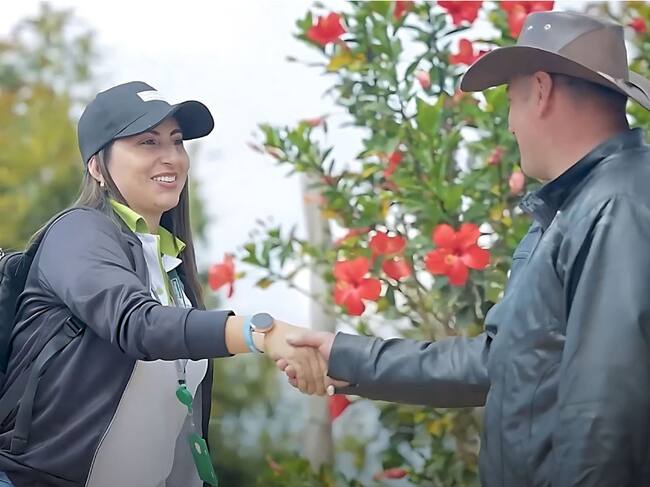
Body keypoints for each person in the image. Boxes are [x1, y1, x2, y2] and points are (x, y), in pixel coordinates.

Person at [280, 10, 650, 486]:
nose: (511, 125)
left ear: (541, 90)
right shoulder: (575, 208)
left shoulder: (619, 204)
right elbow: (498, 361)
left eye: (511, 102)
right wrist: (346, 355)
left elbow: (606, 418)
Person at [0, 81, 327, 487]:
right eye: (148, 142)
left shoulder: (173, 269)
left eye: (176, 141)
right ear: (97, 168)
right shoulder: (77, 234)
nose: (171, 157)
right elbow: (138, 324)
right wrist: (261, 333)